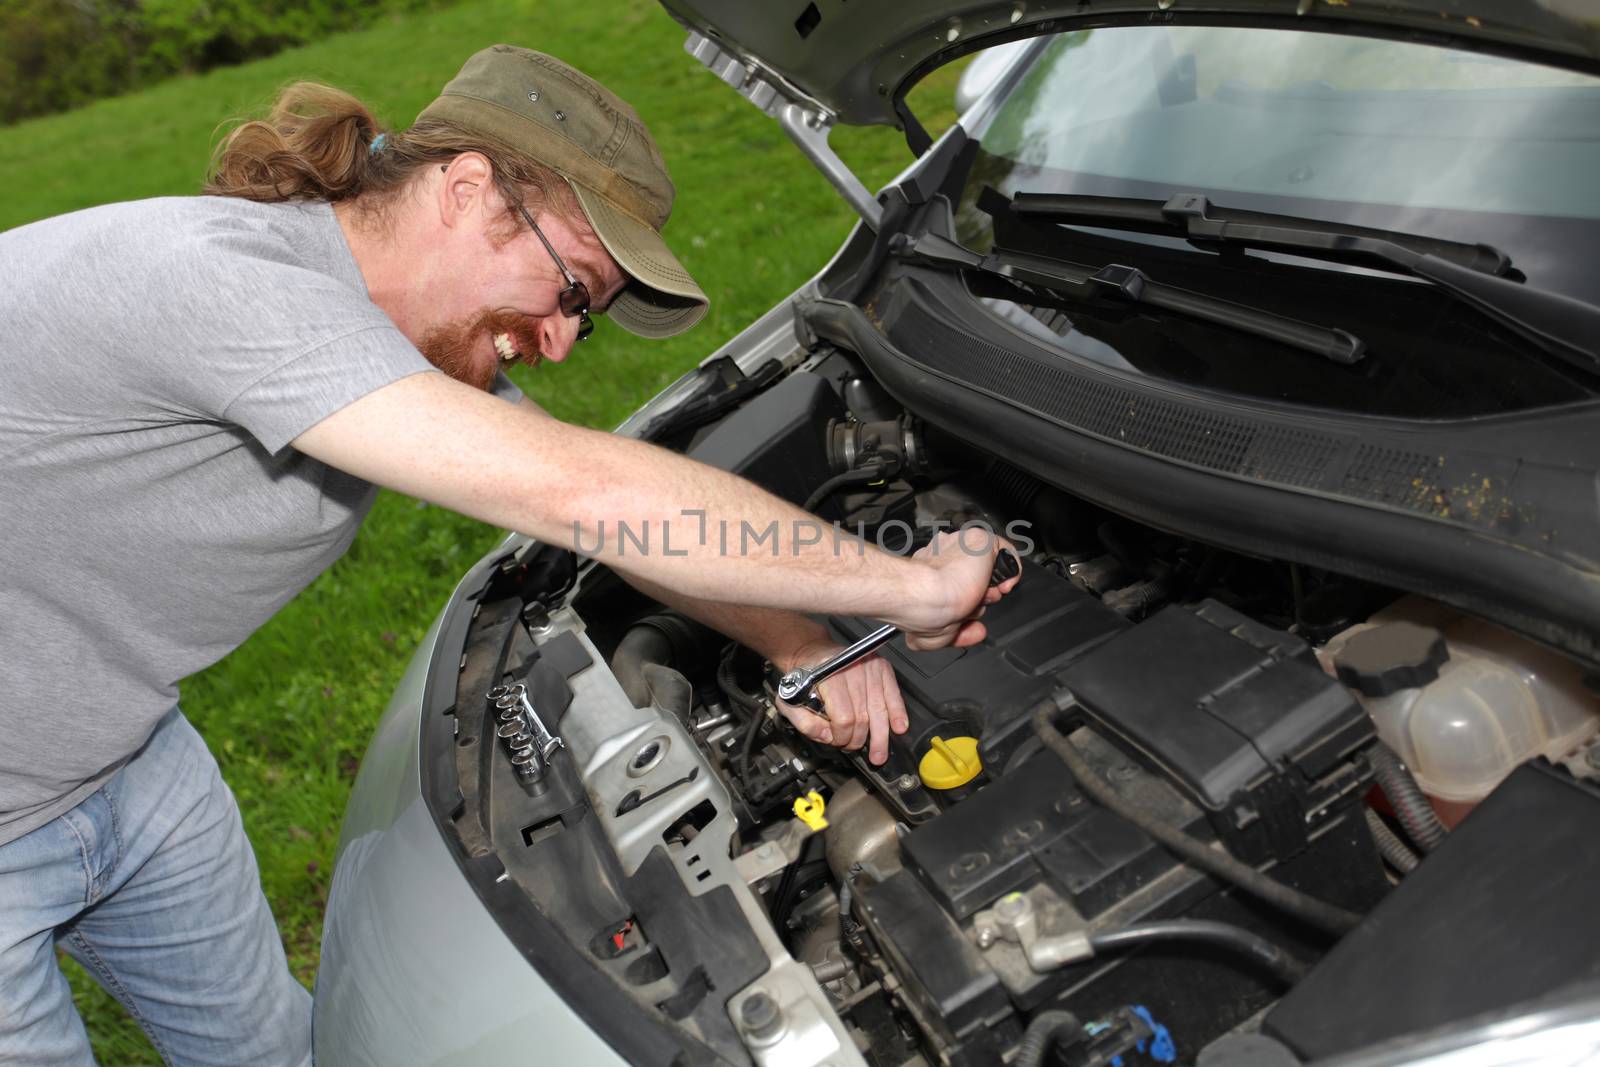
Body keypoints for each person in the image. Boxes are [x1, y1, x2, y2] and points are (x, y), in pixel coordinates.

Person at [0, 44, 1017, 1064]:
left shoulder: (375, 337)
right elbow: (588, 490)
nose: (565, 340)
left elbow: (605, 525)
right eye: (572, 288)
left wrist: (799, 646)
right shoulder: (228, 285)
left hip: (127, 760)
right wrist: (913, 583)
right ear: (467, 185)